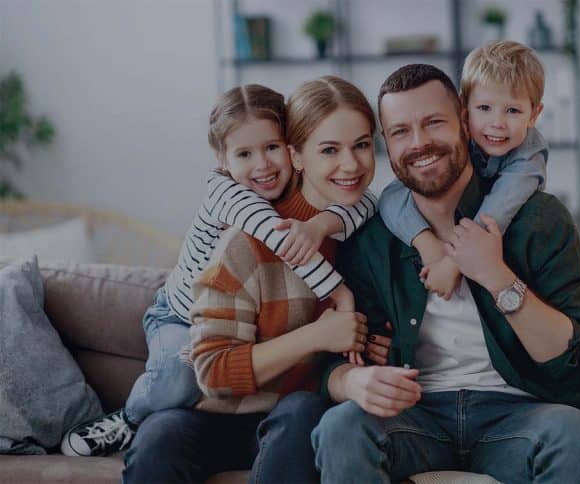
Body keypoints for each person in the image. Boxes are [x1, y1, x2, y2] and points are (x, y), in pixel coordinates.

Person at [311, 64, 580, 484]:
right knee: (340, 427)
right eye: (400, 132)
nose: (419, 143)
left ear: (466, 125)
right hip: (415, 416)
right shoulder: (371, 238)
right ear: (387, 144)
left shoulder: (540, 220)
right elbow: (333, 364)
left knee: (579, 436)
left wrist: (498, 278)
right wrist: (354, 380)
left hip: (522, 414)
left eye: (434, 123)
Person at [60, 83, 377, 457]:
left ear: (291, 150)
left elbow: (366, 203)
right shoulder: (228, 194)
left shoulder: (305, 194)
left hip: (238, 330)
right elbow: (281, 239)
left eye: (272, 148)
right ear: (223, 159)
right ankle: (129, 418)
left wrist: (322, 224)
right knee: (178, 379)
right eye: (245, 153)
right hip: (176, 315)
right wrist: (339, 292)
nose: (262, 165)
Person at [378, 41, 547, 300]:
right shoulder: (462, 138)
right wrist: (427, 244)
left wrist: (453, 263)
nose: (497, 124)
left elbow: (497, 211)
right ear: (465, 113)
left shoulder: (528, 155)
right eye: (484, 108)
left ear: (534, 115)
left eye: (513, 110)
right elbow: (391, 195)